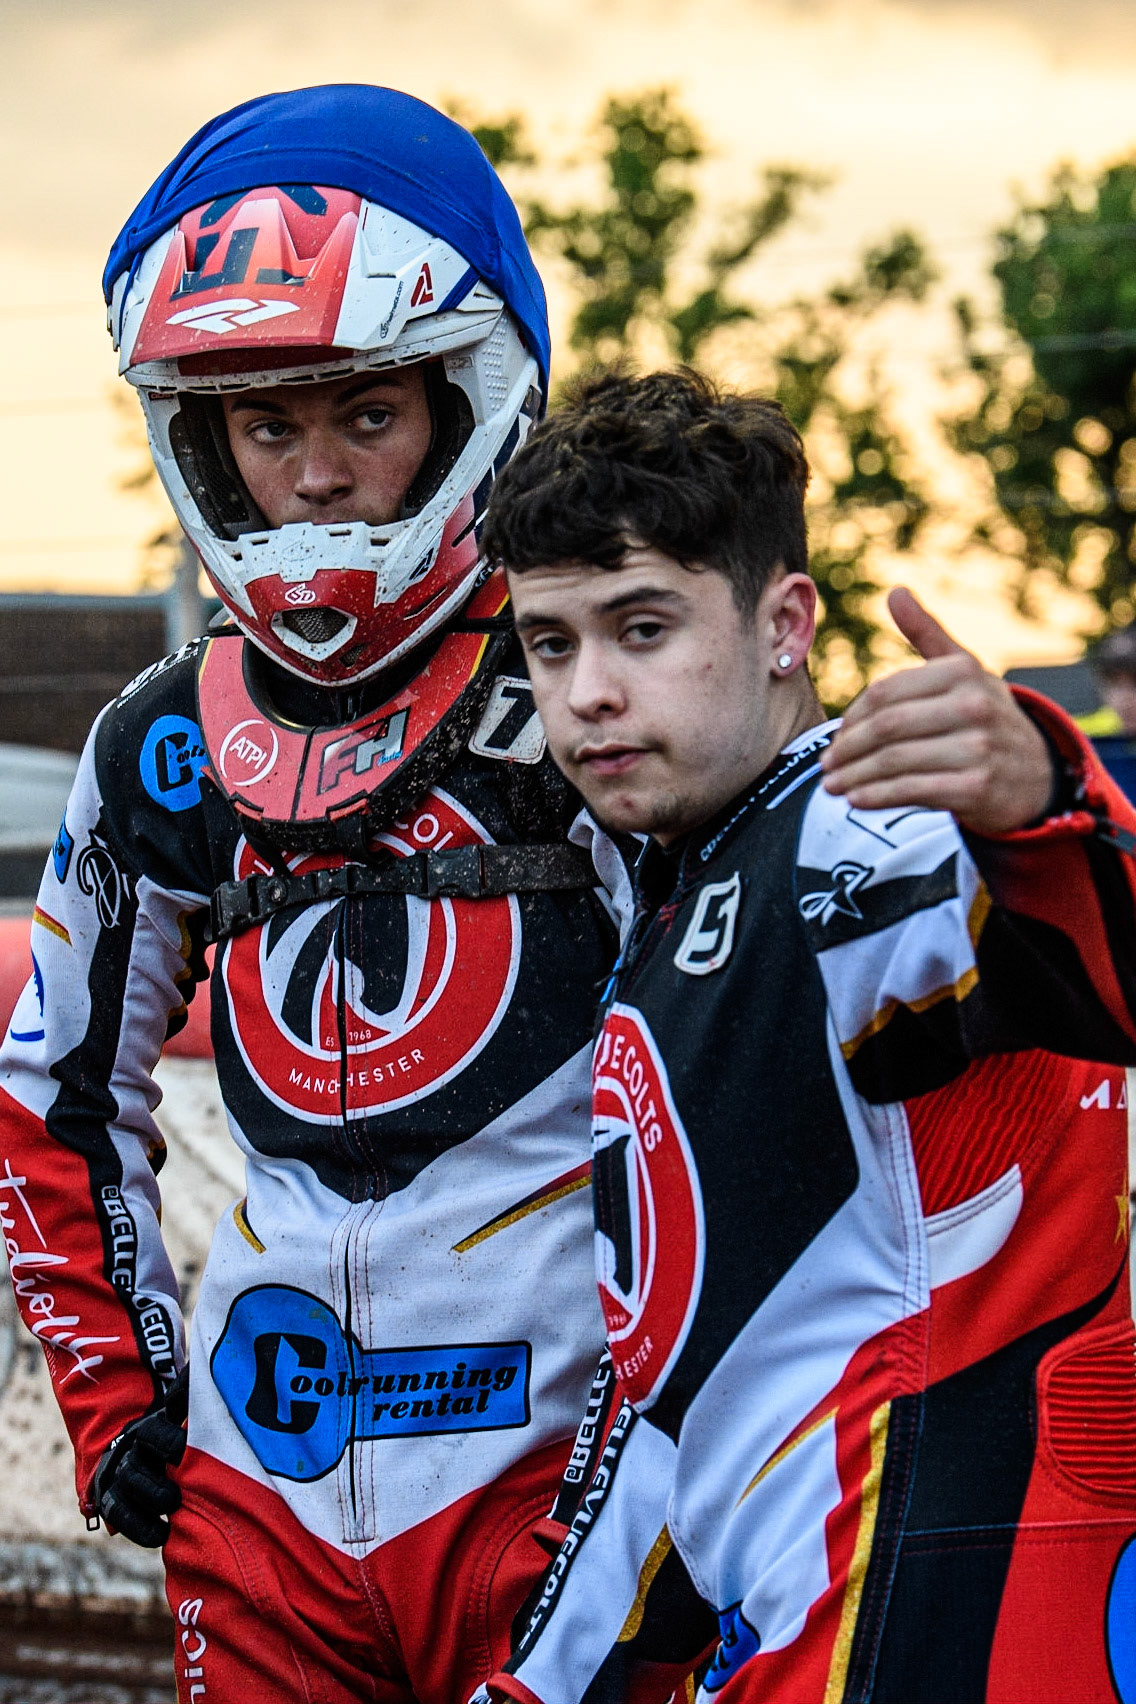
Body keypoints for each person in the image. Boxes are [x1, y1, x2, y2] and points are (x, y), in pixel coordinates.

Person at [0, 87, 687, 1704]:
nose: (314, 475)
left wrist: (677, 1426)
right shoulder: (155, 744)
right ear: (201, 440)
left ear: (467, 403)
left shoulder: (591, 688)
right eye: (267, 426)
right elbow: (55, 1092)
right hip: (262, 1498)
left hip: (564, 1483)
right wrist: (118, 1392)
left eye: (364, 416)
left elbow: (739, 1067)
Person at [483, 367, 1136, 1703]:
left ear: (786, 626)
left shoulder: (857, 837)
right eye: (552, 644)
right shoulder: (682, 901)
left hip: (944, 1622)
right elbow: (682, 1400)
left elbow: (1100, 982)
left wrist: (1043, 805)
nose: (590, 691)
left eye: (643, 627)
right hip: (802, 1627)